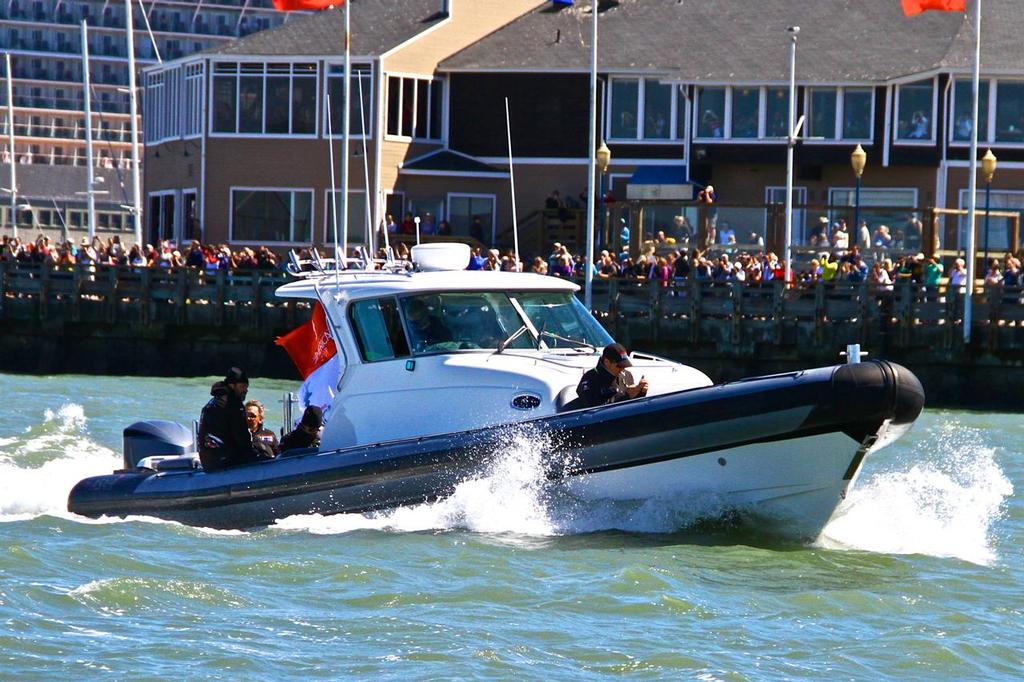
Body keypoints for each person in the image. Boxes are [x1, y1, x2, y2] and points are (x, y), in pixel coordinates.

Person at [198, 368, 273, 471]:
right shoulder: (233, 405)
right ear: (232, 385)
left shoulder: (213, 402)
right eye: (242, 386)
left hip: (209, 461)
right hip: (225, 460)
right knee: (266, 460)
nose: (245, 390)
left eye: (246, 387)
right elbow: (242, 439)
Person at [574, 343, 649, 408]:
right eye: (619, 366)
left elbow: (633, 406)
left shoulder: (627, 375)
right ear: (607, 362)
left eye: (624, 366)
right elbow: (594, 409)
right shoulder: (590, 379)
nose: (622, 369)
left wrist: (640, 392)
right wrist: (625, 395)